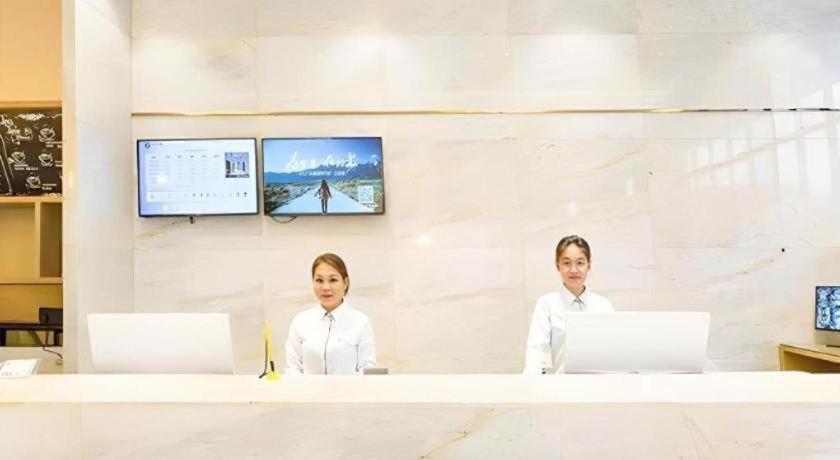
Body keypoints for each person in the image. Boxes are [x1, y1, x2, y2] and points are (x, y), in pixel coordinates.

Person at [523, 235, 614, 374]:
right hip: (558, 385)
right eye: (566, 263)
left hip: (597, 384)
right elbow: (537, 352)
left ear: (589, 264)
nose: (573, 270)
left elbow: (612, 352)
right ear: (557, 265)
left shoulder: (603, 305)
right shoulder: (546, 304)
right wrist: (531, 384)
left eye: (580, 263)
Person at [285, 253, 376, 375]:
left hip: (350, 388)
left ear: (345, 283)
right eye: (319, 280)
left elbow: (367, 368)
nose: (325, 287)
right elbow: (293, 367)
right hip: (308, 388)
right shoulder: (300, 322)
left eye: (333, 280)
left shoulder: (361, 322)